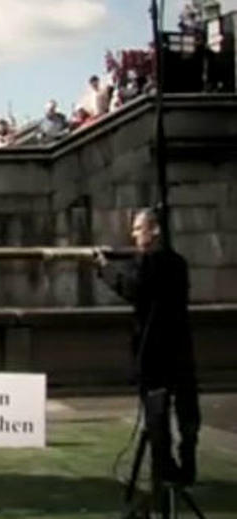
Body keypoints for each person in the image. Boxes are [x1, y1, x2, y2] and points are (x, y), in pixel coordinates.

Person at [94, 209, 200, 487]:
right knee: (186, 409)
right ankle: (186, 464)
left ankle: (165, 467)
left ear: (154, 231)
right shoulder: (178, 263)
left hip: (153, 350)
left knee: (157, 415)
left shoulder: (150, 265)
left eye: (139, 228)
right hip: (180, 348)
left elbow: (132, 286)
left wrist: (104, 268)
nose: (134, 233)